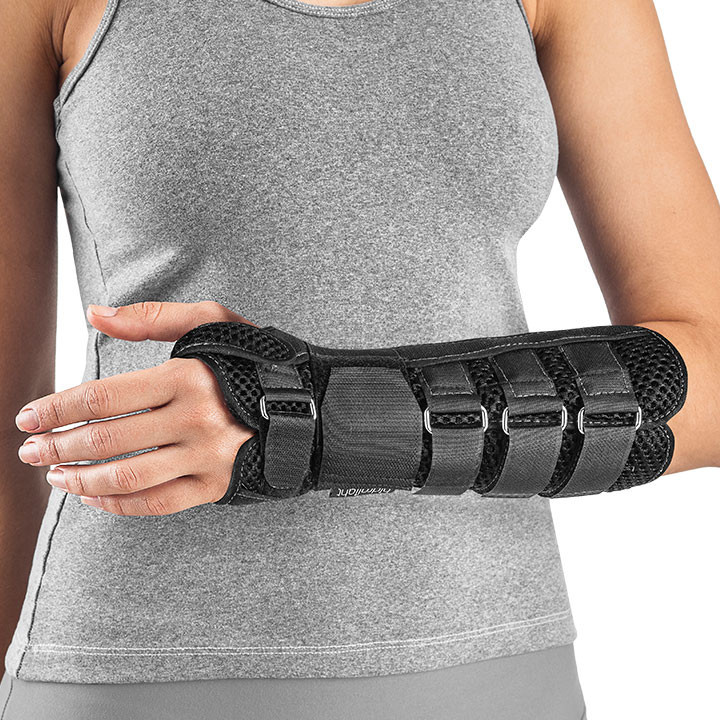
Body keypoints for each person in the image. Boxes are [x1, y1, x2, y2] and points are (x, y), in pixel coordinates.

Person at [0, 0, 717, 717]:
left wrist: (306, 419)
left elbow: (707, 377)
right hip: (132, 661)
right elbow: (11, 427)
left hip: (494, 654)